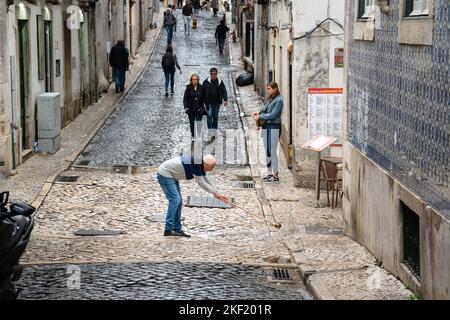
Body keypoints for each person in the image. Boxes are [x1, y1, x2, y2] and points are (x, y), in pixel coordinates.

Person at [157, 154, 228, 237]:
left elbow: (206, 179)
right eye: (212, 167)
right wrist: (215, 193)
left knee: (178, 201)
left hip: (172, 175)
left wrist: (217, 193)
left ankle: (177, 229)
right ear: (206, 165)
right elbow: (202, 183)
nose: (212, 169)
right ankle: (168, 230)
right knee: (175, 200)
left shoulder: (200, 163)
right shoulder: (196, 164)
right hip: (165, 174)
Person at [252, 81, 284, 182]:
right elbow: (265, 109)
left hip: (274, 126)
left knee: (273, 150)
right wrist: (259, 112)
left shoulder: (279, 100)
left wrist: (260, 117)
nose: (268, 90)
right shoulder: (270, 99)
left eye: (269, 88)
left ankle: (275, 175)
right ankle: (269, 173)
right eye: (267, 88)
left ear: (275, 89)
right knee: (267, 151)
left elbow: (273, 115)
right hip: (266, 126)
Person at [202, 67, 228, 141]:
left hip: (217, 103)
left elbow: (224, 90)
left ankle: (214, 132)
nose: (213, 75)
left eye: (214, 74)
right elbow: (202, 92)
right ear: (210, 74)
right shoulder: (206, 82)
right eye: (212, 74)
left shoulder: (220, 82)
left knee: (215, 118)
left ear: (217, 74)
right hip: (208, 103)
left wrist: (225, 99)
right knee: (209, 116)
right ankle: (210, 132)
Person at [183, 74, 206, 139]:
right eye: (193, 79)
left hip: (199, 108)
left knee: (199, 122)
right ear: (191, 80)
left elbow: (204, 98)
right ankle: (193, 135)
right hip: (191, 108)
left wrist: (206, 106)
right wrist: (185, 106)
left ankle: (198, 134)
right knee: (192, 122)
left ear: (198, 80)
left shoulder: (201, 88)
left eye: (196, 79)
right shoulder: (188, 88)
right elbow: (185, 98)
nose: (195, 81)